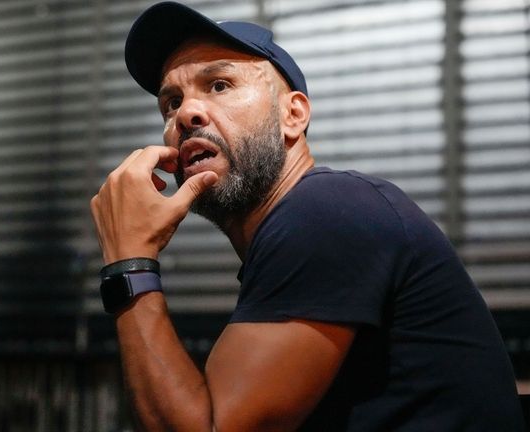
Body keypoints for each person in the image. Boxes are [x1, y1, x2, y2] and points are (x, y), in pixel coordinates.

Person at [89, 2, 525, 431]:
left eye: (220, 85)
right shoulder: (295, 232)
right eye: (171, 102)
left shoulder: (327, 210)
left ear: (292, 115)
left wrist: (130, 262)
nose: (186, 113)